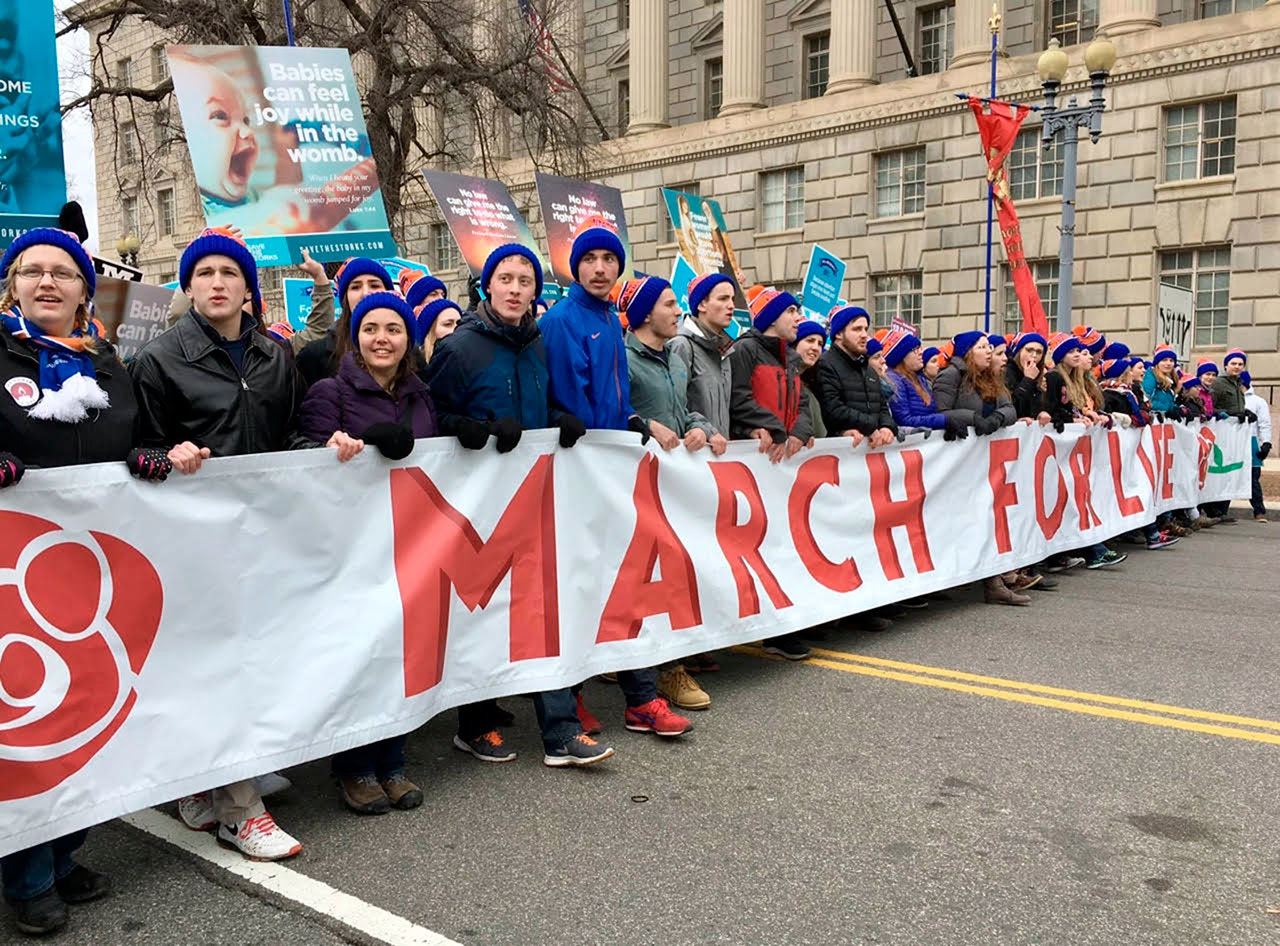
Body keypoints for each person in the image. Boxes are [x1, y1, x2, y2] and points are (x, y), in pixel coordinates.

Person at [132, 228, 364, 861]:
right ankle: (243, 812)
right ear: (187, 286)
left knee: (252, 661)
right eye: (203, 272)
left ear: (246, 286)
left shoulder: (272, 357)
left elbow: (285, 436)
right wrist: (163, 455)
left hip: (264, 536)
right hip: (193, 541)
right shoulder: (157, 360)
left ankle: (202, 786)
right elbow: (133, 453)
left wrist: (322, 450)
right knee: (221, 666)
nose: (216, 282)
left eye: (228, 272)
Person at [0, 228, 176, 936]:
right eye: (31, 271)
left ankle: (66, 847)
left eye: (62, 274)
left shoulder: (107, 363)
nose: (47, 283)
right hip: (18, 576)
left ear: (83, 290)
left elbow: (139, 435)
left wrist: (150, 457)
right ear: (12, 285)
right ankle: (27, 873)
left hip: (95, 573)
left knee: (87, 713)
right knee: (25, 720)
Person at [498, 228, 694, 739]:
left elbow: (617, 395)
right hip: (578, 472)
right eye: (591, 260)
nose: (601, 268)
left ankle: (640, 698)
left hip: (612, 469)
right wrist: (600, 434)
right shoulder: (564, 319)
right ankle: (581, 694)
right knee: (582, 589)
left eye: (610, 259)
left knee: (626, 587)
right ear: (576, 268)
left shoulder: (610, 317)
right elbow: (568, 400)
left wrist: (636, 422)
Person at [298, 291, 435, 813]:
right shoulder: (329, 392)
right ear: (354, 337)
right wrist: (331, 447)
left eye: (394, 329)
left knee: (402, 655)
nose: (383, 338)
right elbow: (299, 456)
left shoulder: (423, 396)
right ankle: (354, 768)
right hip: (351, 550)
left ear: (408, 340)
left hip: (409, 544)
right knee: (361, 656)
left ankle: (393, 762)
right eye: (371, 328)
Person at [619, 274, 728, 711]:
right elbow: (614, 412)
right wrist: (643, 425)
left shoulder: (676, 361)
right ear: (646, 312)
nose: (677, 311)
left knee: (675, 576)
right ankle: (658, 671)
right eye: (668, 304)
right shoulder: (622, 358)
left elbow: (686, 412)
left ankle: (669, 665)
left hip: (673, 486)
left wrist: (704, 428)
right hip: (635, 485)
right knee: (645, 582)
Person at [725, 285, 816, 656]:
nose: (798, 317)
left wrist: (799, 431)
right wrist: (773, 427)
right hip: (757, 463)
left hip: (784, 463)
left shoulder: (790, 358)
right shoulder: (746, 350)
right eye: (791, 311)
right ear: (771, 318)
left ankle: (781, 627)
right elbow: (738, 396)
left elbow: (804, 401)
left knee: (784, 544)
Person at [934, 331, 1036, 603]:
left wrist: (998, 419)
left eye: (990, 346)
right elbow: (939, 412)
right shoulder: (951, 376)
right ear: (968, 352)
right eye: (982, 347)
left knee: (989, 516)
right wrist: (973, 418)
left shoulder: (992, 377)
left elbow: (1010, 408)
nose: (989, 351)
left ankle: (994, 583)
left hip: (984, 460)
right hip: (957, 459)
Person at [1099, 358, 1179, 551]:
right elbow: (1110, 414)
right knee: (1126, 491)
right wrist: (1125, 419)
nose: (1140, 371)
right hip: (1117, 453)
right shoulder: (1110, 394)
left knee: (1140, 488)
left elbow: (1143, 413)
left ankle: (1150, 533)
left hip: (1131, 452)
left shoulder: (1129, 392)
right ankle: (1146, 534)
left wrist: (1139, 417)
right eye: (1133, 369)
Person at [295, 257, 394, 388]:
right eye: (355, 287)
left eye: (374, 285)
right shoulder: (315, 356)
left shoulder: (409, 352)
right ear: (345, 298)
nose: (365, 293)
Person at [669, 272, 736, 440]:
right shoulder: (682, 345)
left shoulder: (726, 351)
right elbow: (674, 407)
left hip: (719, 456)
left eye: (732, 299)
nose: (731, 306)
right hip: (692, 456)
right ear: (702, 305)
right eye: (723, 299)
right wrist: (704, 432)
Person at [884, 330, 966, 440]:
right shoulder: (894, 380)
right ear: (901, 356)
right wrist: (943, 421)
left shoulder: (919, 379)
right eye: (914, 350)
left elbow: (931, 411)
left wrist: (946, 421)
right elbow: (904, 419)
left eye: (920, 348)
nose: (920, 352)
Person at [1045, 331, 1111, 432]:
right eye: (1070, 352)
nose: (1076, 355)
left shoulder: (1074, 379)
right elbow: (1052, 409)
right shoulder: (1053, 377)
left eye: (1078, 351)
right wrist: (1072, 420)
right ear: (1060, 356)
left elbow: (1073, 408)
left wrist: (1086, 415)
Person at [1242, 370, 1271, 522]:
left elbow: (1264, 424)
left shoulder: (1257, 401)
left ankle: (1259, 511)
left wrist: (1266, 443)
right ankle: (1221, 511)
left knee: (1253, 478)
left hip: (1250, 442)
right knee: (1228, 476)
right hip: (1231, 442)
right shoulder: (1227, 397)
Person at [1005, 332, 1049, 423]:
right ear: (1020, 351)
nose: (1034, 355)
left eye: (1039, 352)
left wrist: (1040, 413)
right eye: (1029, 350)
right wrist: (1028, 380)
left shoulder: (1037, 375)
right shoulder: (1006, 372)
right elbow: (1011, 405)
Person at [794, 319, 828, 439]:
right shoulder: (782, 380)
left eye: (820, 344)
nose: (815, 348)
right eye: (810, 341)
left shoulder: (810, 387)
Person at [416, 298, 463, 364]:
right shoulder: (414, 370)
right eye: (448, 324)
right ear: (429, 332)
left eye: (460, 324)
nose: (457, 329)